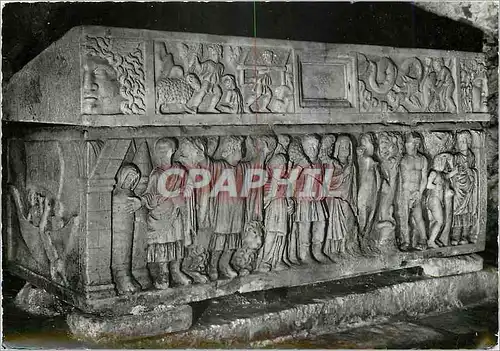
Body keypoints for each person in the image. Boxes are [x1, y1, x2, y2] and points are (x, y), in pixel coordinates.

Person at [127, 138, 192, 289]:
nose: (162, 153)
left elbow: (189, 187)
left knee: (177, 242)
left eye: (165, 150)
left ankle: (176, 271)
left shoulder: (180, 171)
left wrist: (181, 192)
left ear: (173, 150)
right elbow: (150, 193)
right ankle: (163, 275)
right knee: (162, 245)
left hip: (175, 213)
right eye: (159, 150)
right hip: (160, 215)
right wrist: (141, 202)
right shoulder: (156, 174)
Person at [324, 135, 360, 258]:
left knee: (349, 223)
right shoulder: (331, 164)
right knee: (334, 226)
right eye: (342, 146)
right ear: (337, 148)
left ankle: (345, 248)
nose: (345, 149)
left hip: (347, 200)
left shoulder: (351, 166)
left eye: (347, 147)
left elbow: (353, 186)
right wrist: (343, 175)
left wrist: (354, 202)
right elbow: (325, 186)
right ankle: (334, 250)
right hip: (334, 201)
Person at [112, 163, 142, 294]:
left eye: (133, 179)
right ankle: (121, 276)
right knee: (120, 249)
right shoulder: (117, 195)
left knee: (127, 249)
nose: (130, 182)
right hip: (118, 230)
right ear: (121, 177)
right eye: (128, 178)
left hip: (128, 228)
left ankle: (126, 274)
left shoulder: (130, 194)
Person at [397, 132, 428, 251]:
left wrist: (419, 192)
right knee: (404, 217)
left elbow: (424, 178)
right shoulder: (403, 160)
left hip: (417, 192)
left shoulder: (422, 159)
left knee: (418, 217)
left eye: (415, 144)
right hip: (405, 192)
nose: (412, 146)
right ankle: (406, 241)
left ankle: (423, 239)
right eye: (410, 144)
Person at [449, 131, 478, 245]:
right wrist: (456, 173)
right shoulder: (456, 157)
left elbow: (473, 170)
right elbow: (451, 172)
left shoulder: (471, 156)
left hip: (468, 187)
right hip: (458, 188)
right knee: (457, 211)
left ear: (468, 143)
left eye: (463, 142)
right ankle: (455, 235)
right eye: (459, 142)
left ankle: (465, 235)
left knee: (468, 211)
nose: (461, 144)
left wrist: (470, 172)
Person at [425, 153, 454, 248]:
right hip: (434, 200)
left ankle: (434, 238)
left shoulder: (441, 174)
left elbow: (448, 176)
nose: (443, 164)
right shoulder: (433, 173)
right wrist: (436, 187)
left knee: (440, 221)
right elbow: (428, 185)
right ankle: (431, 241)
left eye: (444, 162)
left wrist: (456, 171)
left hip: (439, 200)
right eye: (441, 161)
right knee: (440, 221)